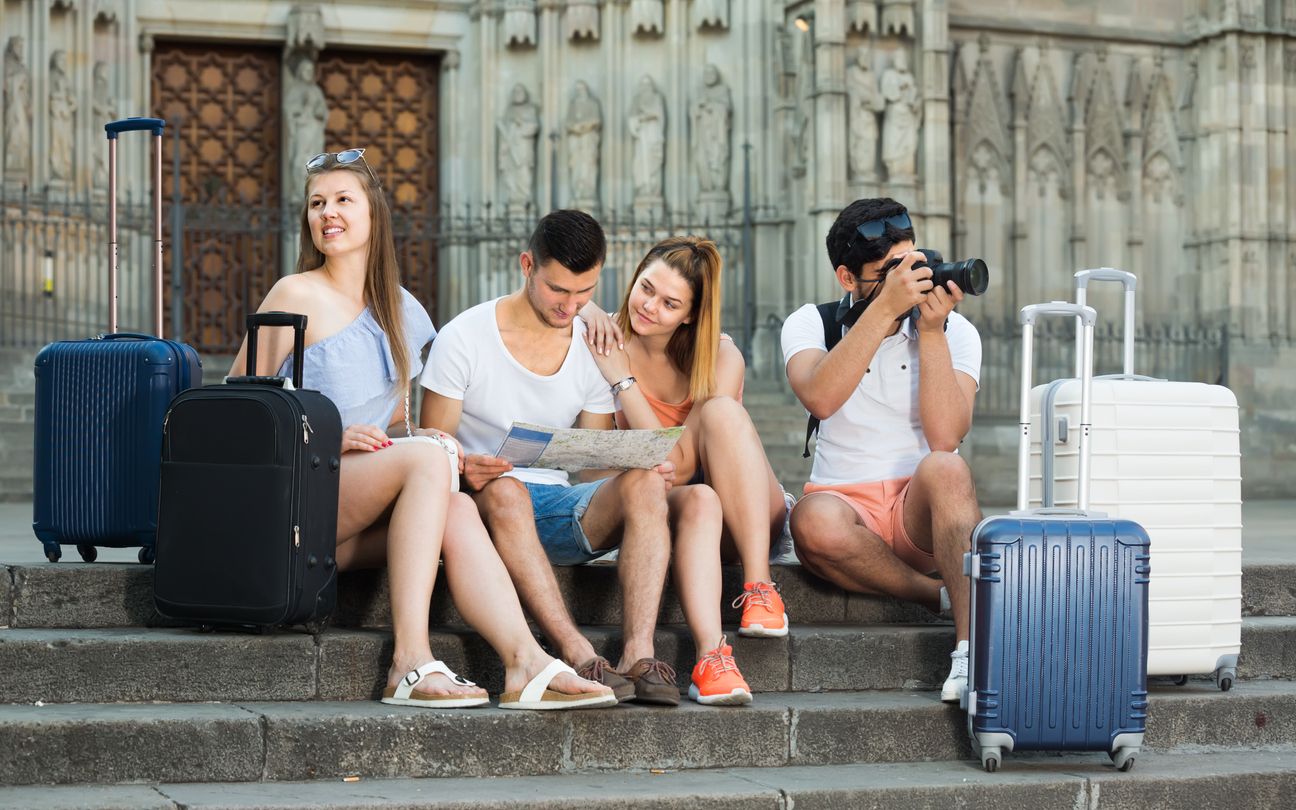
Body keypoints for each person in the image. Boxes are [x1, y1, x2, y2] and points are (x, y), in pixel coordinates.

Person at [231, 150, 614, 712]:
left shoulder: (401, 310)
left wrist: (453, 454)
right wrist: (325, 435)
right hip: (293, 500)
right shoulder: (296, 294)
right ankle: (409, 661)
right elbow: (236, 413)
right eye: (317, 203)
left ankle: (525, 663)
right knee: (430, 457)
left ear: (373, 215)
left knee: (452, 494)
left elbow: (396, 427)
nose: (327, 213)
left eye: (342, 200)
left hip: (348, 515)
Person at [419, 210, 692, 707]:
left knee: (646, 483)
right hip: (489, 504)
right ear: (527, 265)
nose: (571, 305)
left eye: (584, 292)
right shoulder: (463, 337)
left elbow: (588, 466)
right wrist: (465, 466)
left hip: (560, 502)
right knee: (505, 489)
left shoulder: (594, 344)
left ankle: (639, 655)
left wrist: (637, 462)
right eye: (558, 290)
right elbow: (430, 444)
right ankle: (576, 652)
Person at [781, 197, 982, 704]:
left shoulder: (956, 331)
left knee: (947, 467)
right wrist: (885, 313)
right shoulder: (812, 323)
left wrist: (930, 332)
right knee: (810, 521)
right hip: (846, 510)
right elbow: (821, 397)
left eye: (914, 264)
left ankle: (971, 652)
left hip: (919, 506)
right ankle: (933, 592)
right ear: (848, 278)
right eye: (889, 272)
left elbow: (945, 438)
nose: (909, 280)